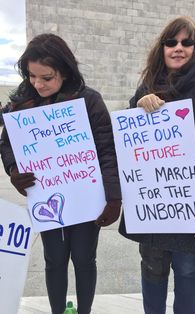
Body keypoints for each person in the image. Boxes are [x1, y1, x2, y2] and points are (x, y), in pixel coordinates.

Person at [119, 16, 195, 314]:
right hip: (155, 205)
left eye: (187, 42)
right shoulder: (148, 84)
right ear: (162, 47)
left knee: (188, 269)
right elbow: (133, 141)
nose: (178, 48)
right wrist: (139, 104)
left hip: (194, 207)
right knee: (152, 268)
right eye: (171, 42)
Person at [0, 33, 121, 314]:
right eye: (32, 76)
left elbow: (107, 150)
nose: (37, 84)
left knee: (84, 259)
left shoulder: (89, 100)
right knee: (54, 259)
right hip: (45, 197)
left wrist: (114, 198)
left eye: (46, 77)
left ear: (64, 72)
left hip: (86, 199)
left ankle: (83, 312)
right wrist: (13, 170)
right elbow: (7, 144)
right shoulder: (21, 104)